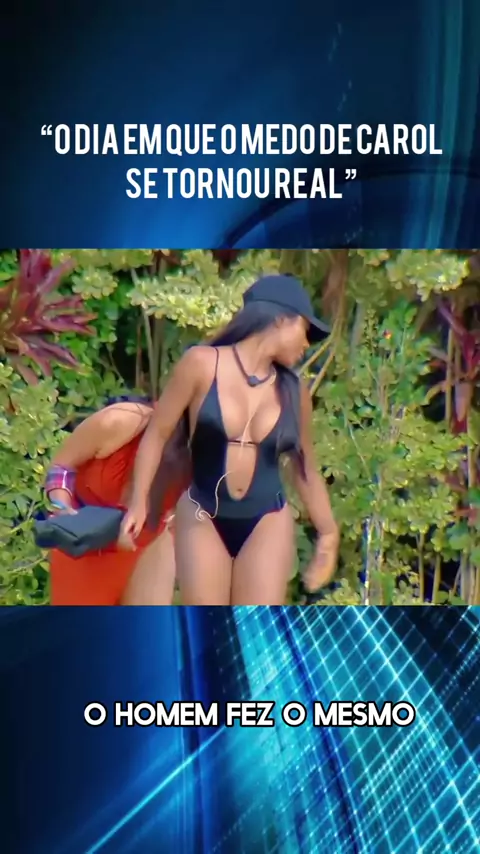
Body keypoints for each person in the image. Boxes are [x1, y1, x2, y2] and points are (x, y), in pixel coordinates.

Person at [120, 275, 340, 606]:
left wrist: (328, 534)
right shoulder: (201, 364)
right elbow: (157, 433)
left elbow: (304, 465)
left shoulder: (296, 392)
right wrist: (139, 501)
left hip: (266, 519)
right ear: (281, 319)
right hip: (202, 513)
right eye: (305, 331)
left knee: (255, 624)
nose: (307, 344)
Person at [45, 399, 187, 606]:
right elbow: (61, 466)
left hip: (147, 545)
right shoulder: (118, 423)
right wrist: (62, 508)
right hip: (81, 541)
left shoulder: (208, 463)